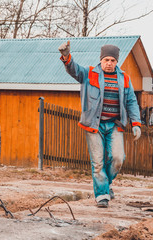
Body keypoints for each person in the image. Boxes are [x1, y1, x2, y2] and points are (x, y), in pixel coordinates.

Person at [58, 41, 141, 208]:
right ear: (101, 60)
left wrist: (136, 123)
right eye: (106, 60)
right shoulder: (89, 73)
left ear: (117, 62)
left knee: (118, 158)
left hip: (115, 124)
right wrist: (66, 56)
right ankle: (102, 195)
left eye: (112, 60)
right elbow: (73, 69)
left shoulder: (124, 78)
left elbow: (131, 101)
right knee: (98, 162)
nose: (109, 63)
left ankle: (106, 184)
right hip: (94, 125)